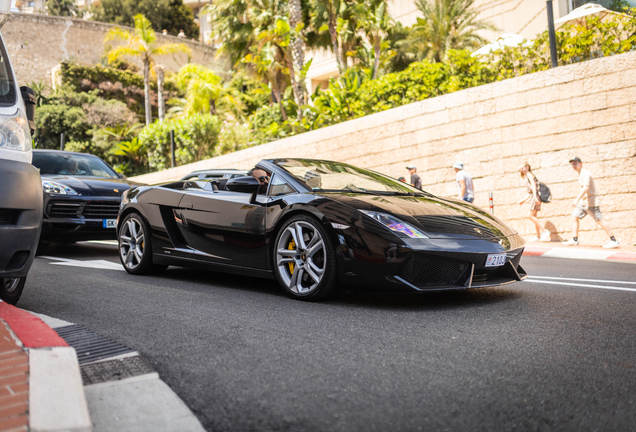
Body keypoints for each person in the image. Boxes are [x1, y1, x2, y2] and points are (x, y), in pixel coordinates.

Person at [562, 157, 619, 248]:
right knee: (574, 217)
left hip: (590, 202)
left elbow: (586, 188)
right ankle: (575, 239)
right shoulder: (580, 174)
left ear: (581, 163)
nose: (574, 165)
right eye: (572, 164)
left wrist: (576, 199)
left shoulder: (585, 173)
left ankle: (614, 240)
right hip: (583, 202)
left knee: (599, 220)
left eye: (575, 163)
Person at [517, 162, 551, 242]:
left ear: (527, 167)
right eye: (520, 168)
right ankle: (538, 236)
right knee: (534, 216)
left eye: (523, 167)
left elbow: (533, 186)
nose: (521, 170)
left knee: (530, 216)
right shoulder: (528, 175)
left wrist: (535, 197)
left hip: (535, 197)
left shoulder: (529, 174)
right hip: (534, 196)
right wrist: (523, 200)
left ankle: (545, 231)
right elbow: (531, 192)